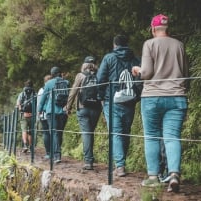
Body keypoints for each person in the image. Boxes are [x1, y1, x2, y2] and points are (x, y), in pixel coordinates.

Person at [132, 14, 189, 192]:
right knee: (172, 136)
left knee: (152, 136)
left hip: (152, 97)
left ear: (153, 29)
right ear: (167, 28)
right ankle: (174, 175)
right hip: (177, 96)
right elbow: (186, 74)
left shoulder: (149, 44)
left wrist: (137, 70)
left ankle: (153, 177)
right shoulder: (179, 45)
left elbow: (147, 73)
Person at [97, 35, 141, 177]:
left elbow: (100, 79)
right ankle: (121, 163)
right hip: (130, 100)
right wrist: (137, 96)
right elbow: (141, 78)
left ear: (114, 45)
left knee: (116, 132)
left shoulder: (109, 58)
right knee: (125, 132)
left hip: (112, 100)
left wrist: (101, 97)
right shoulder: (135, 59)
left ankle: (120, 166)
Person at [64, 56, 102, 170]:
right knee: (91, 132)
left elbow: (73, 91)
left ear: (84, 65)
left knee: (86, 133)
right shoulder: (99, 76)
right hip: (96, 108)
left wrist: (68, 107)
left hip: (83, 107)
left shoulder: (80, 75)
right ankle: (90, 158)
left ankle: (88, 161)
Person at [38, 66, 69, 164]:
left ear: (52, 75)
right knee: (59, 133)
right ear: (61, 73)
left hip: (52, 111)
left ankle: (56, 155)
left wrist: (39, 110)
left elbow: (43, 98)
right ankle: (57, 153)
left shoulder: (49, 83)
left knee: (54, 132)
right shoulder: (67, 83)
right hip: (63, 112)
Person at [16, 79, 36, 153]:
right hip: (32, 115)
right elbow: (37, 104)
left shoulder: (22, 93)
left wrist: (21, 110)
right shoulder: (34, 93)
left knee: (24, 130)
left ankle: (25, 145)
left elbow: (18, 103)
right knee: (31, 131)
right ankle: (31, 147)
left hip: (23, 115)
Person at [37, 74, 52, 159]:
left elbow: (39, 103)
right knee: (53, 132)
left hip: (44, 114)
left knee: (46, 133)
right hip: (53, 113)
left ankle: (48, 153)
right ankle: (55, 152)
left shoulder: (42, 90)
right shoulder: (55, 88)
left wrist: (38, 113)